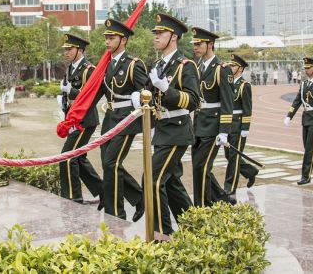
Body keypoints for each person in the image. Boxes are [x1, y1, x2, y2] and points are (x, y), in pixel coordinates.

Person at [148, 13, 199, 236]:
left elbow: (193, 101)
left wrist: (166, 90)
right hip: (161, 130)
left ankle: (162, 235)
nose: (156, 37)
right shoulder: (158, 65)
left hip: (177, 130)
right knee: (170, 183)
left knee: (152, 179)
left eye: (161, 33)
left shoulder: (186, 66)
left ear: (174, 37)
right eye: (156, 33)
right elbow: (152, 98)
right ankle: (195, 228)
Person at [94, 19, 148, 221]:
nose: (107, 41)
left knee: (111, 163)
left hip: (127, 120)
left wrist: (140, 95)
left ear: (123, 40)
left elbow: (148, 90)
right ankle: (139, 198)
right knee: (108, 164)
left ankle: (115, 212)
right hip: (110, 118)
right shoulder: (106, 65)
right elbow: (98, 93)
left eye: (112, 38)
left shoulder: (134, 64)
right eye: (106, 38)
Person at [190, 27, 233, 207]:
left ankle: (201, 208)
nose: (195, 47)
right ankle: (222, 199)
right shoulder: (198, 67)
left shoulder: (221, 69)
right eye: (194, 44)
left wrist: (224, 132)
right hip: (198, 124)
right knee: (198, 167)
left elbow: (228, 103)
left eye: (199, 44)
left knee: (201, 167)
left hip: (213, 127)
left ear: (210, 44)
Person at [58, 33, 103, 204]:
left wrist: (72, 92)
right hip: (73, 121)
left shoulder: (89, 70)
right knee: (79, 159)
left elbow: (90, 96)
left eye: (70, 49)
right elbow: (67, 94)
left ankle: (72, 197)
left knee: (67, 157)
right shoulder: (70, 68)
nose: (66, 52)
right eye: (66, 49)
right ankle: (102, 191)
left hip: (85, 121)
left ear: (80, 50)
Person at [221, 54, 259, 204]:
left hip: (238, 125)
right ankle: (251, 171)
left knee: (233, 158)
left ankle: (229, 189)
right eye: (230, 65)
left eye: (233, 65)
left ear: (240, 68)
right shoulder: (227, 83)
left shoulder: (244, 86)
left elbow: (247, 108)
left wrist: (245, 128)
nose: (230, 67)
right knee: (228, 155)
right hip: (226, 124)